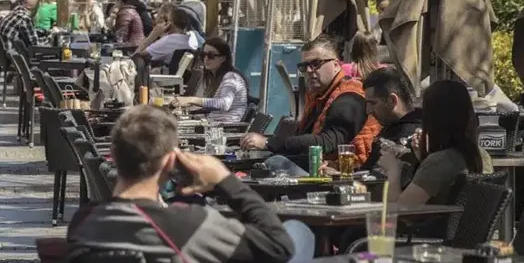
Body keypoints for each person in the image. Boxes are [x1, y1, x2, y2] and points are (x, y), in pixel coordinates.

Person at [66, 106, 314, 263]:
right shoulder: (187, 225)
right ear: (170, 161)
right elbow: (280, 247)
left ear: (115, 156)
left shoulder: (85, 222)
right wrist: (225, 180)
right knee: (298, 233)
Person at [240, 35, 381, 173]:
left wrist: (267, 143)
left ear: (336, 65)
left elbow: (326, 143)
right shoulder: (319, 94)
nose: (309, 71)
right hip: (318, 167)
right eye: (304, 66)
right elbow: (303, 136)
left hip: (346, 174)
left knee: (275, 164)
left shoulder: (349, 97)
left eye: (316, 64)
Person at [381, 79, 493, 206]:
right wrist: (423, 161)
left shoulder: (440, 162)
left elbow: (397, 211)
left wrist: (393, 170)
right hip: (467, 225)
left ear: (432, 118)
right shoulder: (482, 155)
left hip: (433, 225)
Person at [359, 67, 422, 174]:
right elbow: (367, 173)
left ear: (392, 100)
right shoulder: (391, 128)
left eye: (372, 103)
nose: (368, 111)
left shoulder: (415, 137)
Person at [170, 37, 248, 124]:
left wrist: (191, 100)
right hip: (213, 125)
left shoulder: (231, 77)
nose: (206, 59)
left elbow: (224, 103)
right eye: (203, 55)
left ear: (223, 58)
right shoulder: (219, 77)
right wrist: (189, 107)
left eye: (211, 55)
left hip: (224, 128)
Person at [136, 5, 204, 68]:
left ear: (169, 23)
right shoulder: (194, 37)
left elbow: (136, 55)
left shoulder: (167, 41)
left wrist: (153, 34)